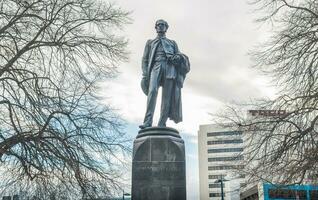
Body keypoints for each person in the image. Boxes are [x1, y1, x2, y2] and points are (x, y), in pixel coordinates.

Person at [139, 19, 190, 129]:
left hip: (169, 68)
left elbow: (179, 57)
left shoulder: (172, 43)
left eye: (163, 25)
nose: (161, 26)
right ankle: (147, 122)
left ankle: (162, 122)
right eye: (159, 25)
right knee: (152, 92)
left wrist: (177, 57)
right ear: (156, 27)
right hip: (155, 67)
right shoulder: (150, 42)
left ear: (166, 28)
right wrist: (145, 74)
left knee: (166, 97)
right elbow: (145, 59)